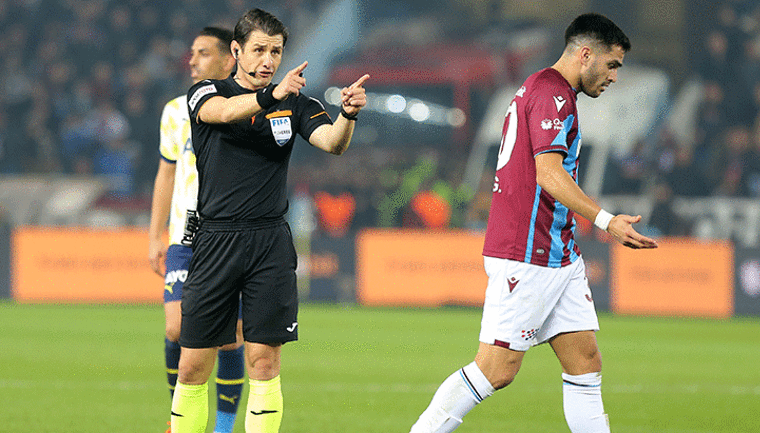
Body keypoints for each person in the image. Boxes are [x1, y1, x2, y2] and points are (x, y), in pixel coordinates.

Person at [408, 13, 657, 433]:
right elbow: (549, 173)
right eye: (612, 65)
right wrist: (606, 220)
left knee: (585, 362)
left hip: (557, 252)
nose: (615, 76)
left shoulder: (541, 88)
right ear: (585, 54)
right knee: (495, 370)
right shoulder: (552, 96)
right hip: (528, 252)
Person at [170, 8, 368, 433]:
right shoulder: (206, 92)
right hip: (215, 241)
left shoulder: (296, 104)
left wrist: (348, 115)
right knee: (191, 367)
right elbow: (222, 114)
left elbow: (332, 143)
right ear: (237, 50)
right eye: (259, 50)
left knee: (264, 361)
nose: (268, 60)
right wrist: (270, 96)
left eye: (276, 51)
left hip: (269, 244)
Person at [147, 27, 243, 433]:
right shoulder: (174, 111)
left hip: (232, 236)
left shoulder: (245, 108)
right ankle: (180, 420)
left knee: (231, 336)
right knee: (176, 326)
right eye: (191, 53)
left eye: (202, 53)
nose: (191, 60)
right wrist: (156, 235)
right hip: (185, 236)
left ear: (228, 60)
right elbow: (165, 175)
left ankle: (221, 428)